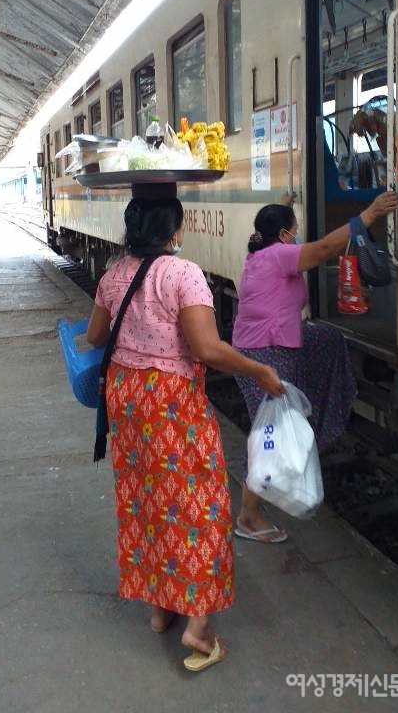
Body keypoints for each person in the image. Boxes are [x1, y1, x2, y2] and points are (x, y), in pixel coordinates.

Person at [86, 195, 283, 672]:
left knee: (146, 502)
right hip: (171, 404)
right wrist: (259, 372)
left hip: (127, 402)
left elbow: (95, 337)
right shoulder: (183, 274)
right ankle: (197, 626)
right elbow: (207, 348)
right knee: (199, 507)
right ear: (174, 231)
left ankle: (160, 608)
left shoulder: (113, 275)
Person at [232, 190, 398, 545]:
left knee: (329, 340)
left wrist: (285, 206)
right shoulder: (278, 256)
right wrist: (367, 215)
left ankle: (321, 418)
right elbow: (324, 249)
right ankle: (247, 516)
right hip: (264, 355)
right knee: (271, 437)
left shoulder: (262, 250)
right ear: (282, 237)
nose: (297, 238)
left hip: (274, 347)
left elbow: (284, 238)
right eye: (293, 231)